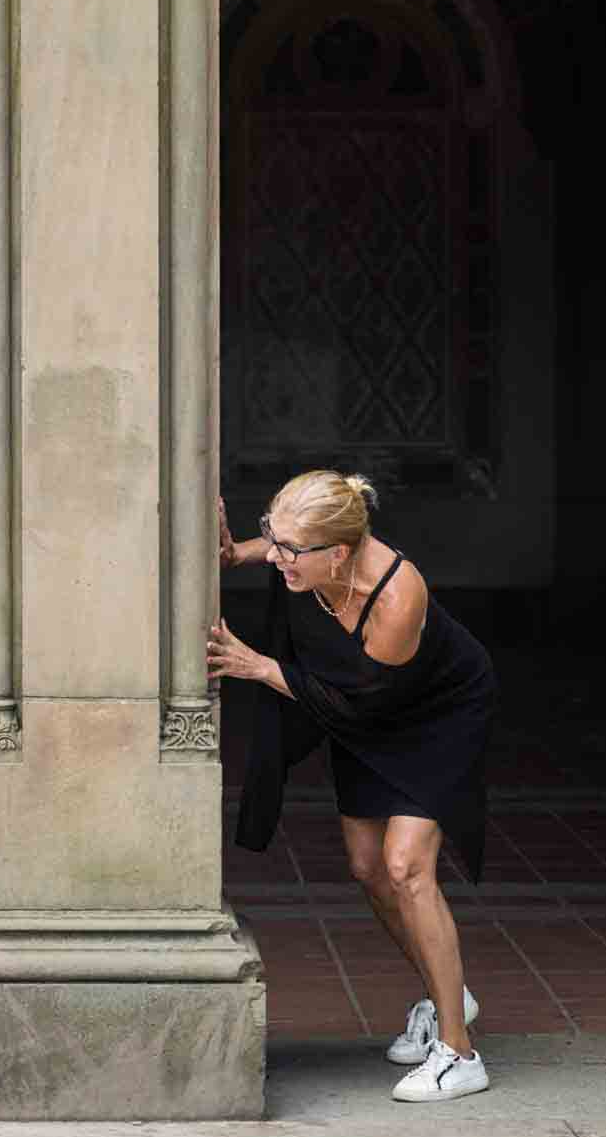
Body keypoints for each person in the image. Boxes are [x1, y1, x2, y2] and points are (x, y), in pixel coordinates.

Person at [208, 470, 497, 1103]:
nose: (276, 558)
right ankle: (447, 993)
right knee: (367, 867)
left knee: (406, 866)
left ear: (338, 553)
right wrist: (235, 552)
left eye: (288, 550)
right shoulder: (315, 555)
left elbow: (360, 708)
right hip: (364, 704)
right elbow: (286, 550)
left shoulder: (398, 598)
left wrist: (261, 667)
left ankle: (459, 1051)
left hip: (435, 714)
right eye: (270, 539)